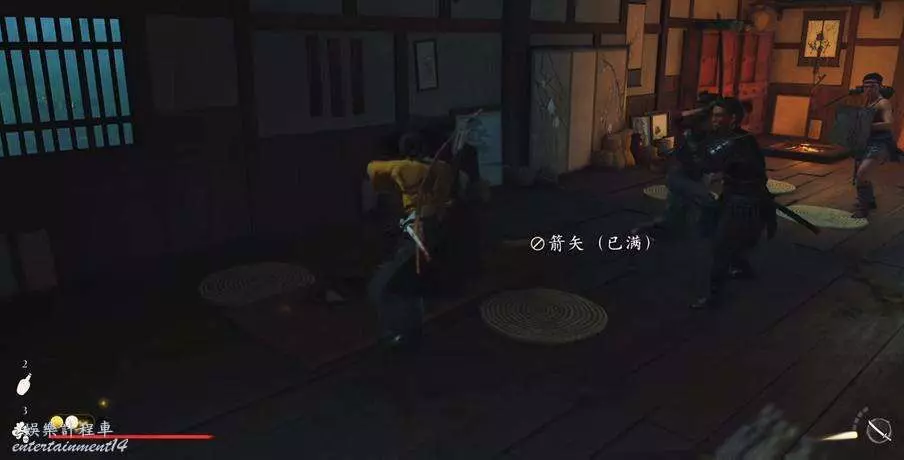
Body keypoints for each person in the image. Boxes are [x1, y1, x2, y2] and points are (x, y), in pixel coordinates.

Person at [365, 131, 453, 348]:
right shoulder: (441, 168)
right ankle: (411, 329)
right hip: (432, 231)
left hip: (420, 232)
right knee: (408, 281)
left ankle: (399, 332)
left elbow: (371, 169)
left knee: (382, 286)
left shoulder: (402, 169)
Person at [693, 97, 775, 309]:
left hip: (744, 201)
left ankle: (714, 297)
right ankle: (742, 267)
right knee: (729, 238)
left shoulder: (737, 142)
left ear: (733, 119)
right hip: (737, 196)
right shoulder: (739, 138)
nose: (714, 120)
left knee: (722, 246)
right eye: (713, 115)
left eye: (719, 116)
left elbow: (707, 164)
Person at [633, 92, 719, 238]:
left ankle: (700, 212)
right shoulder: (693, 125)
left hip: (698, 175)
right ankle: (671, 224)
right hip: (683, 173)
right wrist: (701, 111)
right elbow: (677, 118)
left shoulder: (712, 130)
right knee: (681, 200)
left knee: (681, 192)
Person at [852, 73, 895, 218]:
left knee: (862, 173)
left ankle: (864, 209)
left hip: (880, 142)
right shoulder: (866, 102)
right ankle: (869, 201)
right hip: (865, 142)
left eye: (873, 85)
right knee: (861, 172)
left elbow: (888, 123)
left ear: (880, 87)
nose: (869, 88)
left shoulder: (883, 103)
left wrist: (867, 126)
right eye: (866, 86)